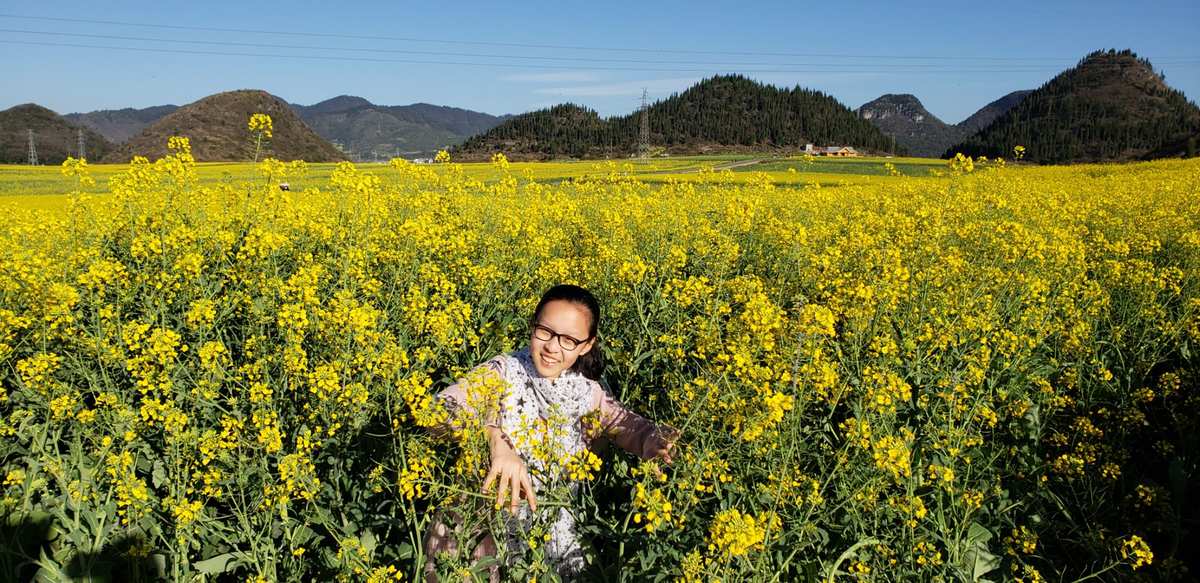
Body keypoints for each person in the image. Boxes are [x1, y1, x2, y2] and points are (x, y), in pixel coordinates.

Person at [423, 284, 677, 581]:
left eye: (569, 340)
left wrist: (656, 439)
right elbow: (438, 411)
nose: (552, 347)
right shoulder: (502, 372)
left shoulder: (588, 393)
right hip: (476, 538)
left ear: (586, 345)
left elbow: (631, 427)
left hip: (549, 547)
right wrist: (494, 438)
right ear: (533, 326)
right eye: (545, 331)